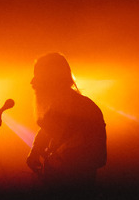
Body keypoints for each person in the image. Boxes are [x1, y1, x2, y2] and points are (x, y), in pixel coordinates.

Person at [26, 53, 107, 188]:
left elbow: (99, 157)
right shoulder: (54, 111)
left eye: (39, 76)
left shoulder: (86, 110)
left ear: (53, 79)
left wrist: (62, 160)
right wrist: (35, 151)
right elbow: (47, 130)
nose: (33, 82)